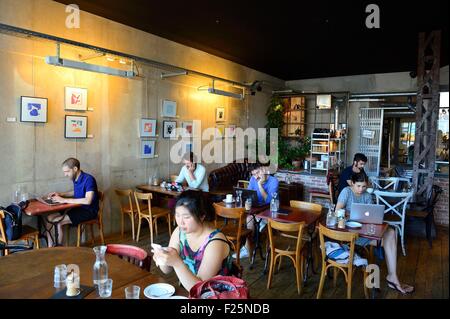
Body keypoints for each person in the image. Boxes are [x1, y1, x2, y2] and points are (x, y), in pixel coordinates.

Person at [335, 172, 415, 295]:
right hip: (349, 234)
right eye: (358, 186)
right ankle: (391, 278)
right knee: (389, 235)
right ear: (352, 183)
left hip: (364, 233)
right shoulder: (346, 191)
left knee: (391, 233)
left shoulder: (367, 195)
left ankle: (392, 276)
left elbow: (371, 214)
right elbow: (338, 211)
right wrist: (351, 216)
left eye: (364, 186)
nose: (361, 189)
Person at [152, 190, 234, 291]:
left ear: (202, 216)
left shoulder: (215, 242)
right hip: (189, 291)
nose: (180, 222)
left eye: (186, 217)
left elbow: (200, 290)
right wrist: (162, 258)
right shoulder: (180, 232)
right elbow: (166, 270)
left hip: (217, 295)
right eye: (177, 215)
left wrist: (177, 262)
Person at [44, 158, 99, 246]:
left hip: (88, 211)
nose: (65, 174)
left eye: (67, 171)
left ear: (75, 169)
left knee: (57, 221)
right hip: (77, 208)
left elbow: (88, 200)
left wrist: (64, 200)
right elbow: (76, 192)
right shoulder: (75, 178)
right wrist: (61, 194)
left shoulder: (89, 179)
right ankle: (50, 247)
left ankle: (58, 249)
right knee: (49, 218)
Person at [233, 165, 279, 259]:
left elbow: (269, 201)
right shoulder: (253, 179)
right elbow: (249, 194)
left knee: (251, 219)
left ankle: (249, 246)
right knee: (248, 218)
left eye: (257, 173)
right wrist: (247, 200)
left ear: (264, 169)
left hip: (270, 211)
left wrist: (259, 185)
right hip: (257, 209)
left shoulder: (274, 181)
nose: (255, 177)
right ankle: (247, 248)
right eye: (253, 174)